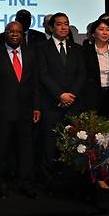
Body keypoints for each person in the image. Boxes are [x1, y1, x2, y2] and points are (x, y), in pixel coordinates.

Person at [37, 12, 86, 184]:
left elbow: (82, 74)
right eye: (59, 24)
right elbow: (43, 74)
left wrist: (70, 95)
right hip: (51, 104)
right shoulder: (42, 48)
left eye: (66, 23)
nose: (64, 27)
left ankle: (69, 181)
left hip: (73, 105)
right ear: (51, 28)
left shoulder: (77, 49)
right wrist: (60, 94)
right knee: (50, 146)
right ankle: (50, 183)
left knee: (74, 145)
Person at [0, 21, 40, 199]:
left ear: (22, 35)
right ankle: (1, 185)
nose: (14, 34)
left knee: (26, 151)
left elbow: (35, 82)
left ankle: (26, 184)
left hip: (26, 111)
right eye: (11, 31)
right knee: (2, 150)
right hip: (3, 112)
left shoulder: (30, 54)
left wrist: (36, 106)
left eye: (18, 32)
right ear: (5, 33)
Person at [82, 18, 109, 120]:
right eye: (101, 29)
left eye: (108, 29)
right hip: (91, 95)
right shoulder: (84, 52)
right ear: (93, 34)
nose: (105, 32)